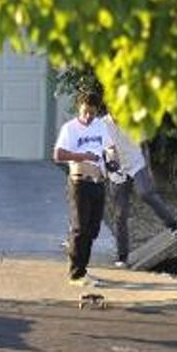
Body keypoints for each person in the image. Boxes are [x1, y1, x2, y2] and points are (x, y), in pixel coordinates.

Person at [101, 110, 177, 267]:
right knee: (120, 214)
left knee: (146, 193)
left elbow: (144, 144)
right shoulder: (101, 125)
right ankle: (122, 257)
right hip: (117, 170)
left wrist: (149, 169)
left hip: (136, 162)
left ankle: (174, 226)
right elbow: (104, 149)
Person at [53, 92, 116, 286]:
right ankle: (76, 274)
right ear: (79, 108)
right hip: (79, 182)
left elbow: (110, 147)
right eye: (85, 112)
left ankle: (83, 269)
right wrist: (82, 156)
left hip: (98, 183)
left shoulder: (100, 126)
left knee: (92, 229)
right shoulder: (70, 128)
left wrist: (113, 159)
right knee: (80, 228)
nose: (88, 116)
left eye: (92, 113)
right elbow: (58, 154)